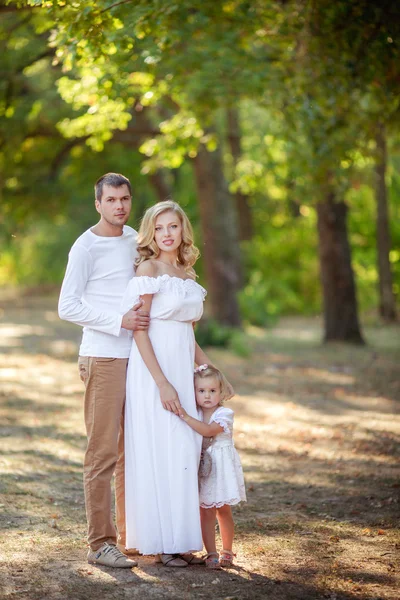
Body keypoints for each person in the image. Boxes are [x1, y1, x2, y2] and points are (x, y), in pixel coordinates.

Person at [58, 172, 150, 568]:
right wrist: (118, 322)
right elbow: (68, 306)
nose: (119, 206)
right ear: (98, 203)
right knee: (103, 453)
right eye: (111, 199)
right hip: (104, 355)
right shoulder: (85, 247)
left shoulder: (136, 241)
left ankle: (132, 536)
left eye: (125, 198)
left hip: (141, 358)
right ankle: (100, 544)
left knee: (135, 451)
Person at [121, 200, 213, 567]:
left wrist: (211, 371)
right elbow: (140, 332)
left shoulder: (187, 274)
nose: (167, 234)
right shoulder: (148, 268)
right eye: (159, 228)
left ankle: (180, 540)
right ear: (151, 233)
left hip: (183, 368)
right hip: (153, 372)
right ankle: (160, 544)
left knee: (185, 450)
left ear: (182, 229)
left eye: (173, 226)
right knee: (161, 448)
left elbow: (189, 336)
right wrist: (162, 383)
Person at [178, 364, 246, 569]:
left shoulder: (224, 414)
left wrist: (185, 417)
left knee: (223, 510)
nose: (207, 396)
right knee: (205, 511)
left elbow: (208, 431)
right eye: (201, 391)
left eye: (212, 391)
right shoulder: (196, 413)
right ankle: (211, 552)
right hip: (203, 467)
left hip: (221, 468)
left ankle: (227, 549)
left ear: (221, 391)